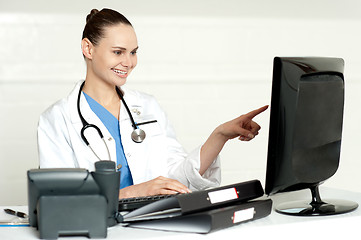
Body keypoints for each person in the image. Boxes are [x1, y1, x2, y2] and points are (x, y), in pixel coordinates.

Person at [37, 8, 268, 199]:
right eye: (118, 52)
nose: (128, 62)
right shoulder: (57, 119)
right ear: (88, 48)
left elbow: (177, 178)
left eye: (133, 52)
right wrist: (134, 192)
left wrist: (220, 135)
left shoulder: (147, 106)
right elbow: (60, 198)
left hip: (152, 220)